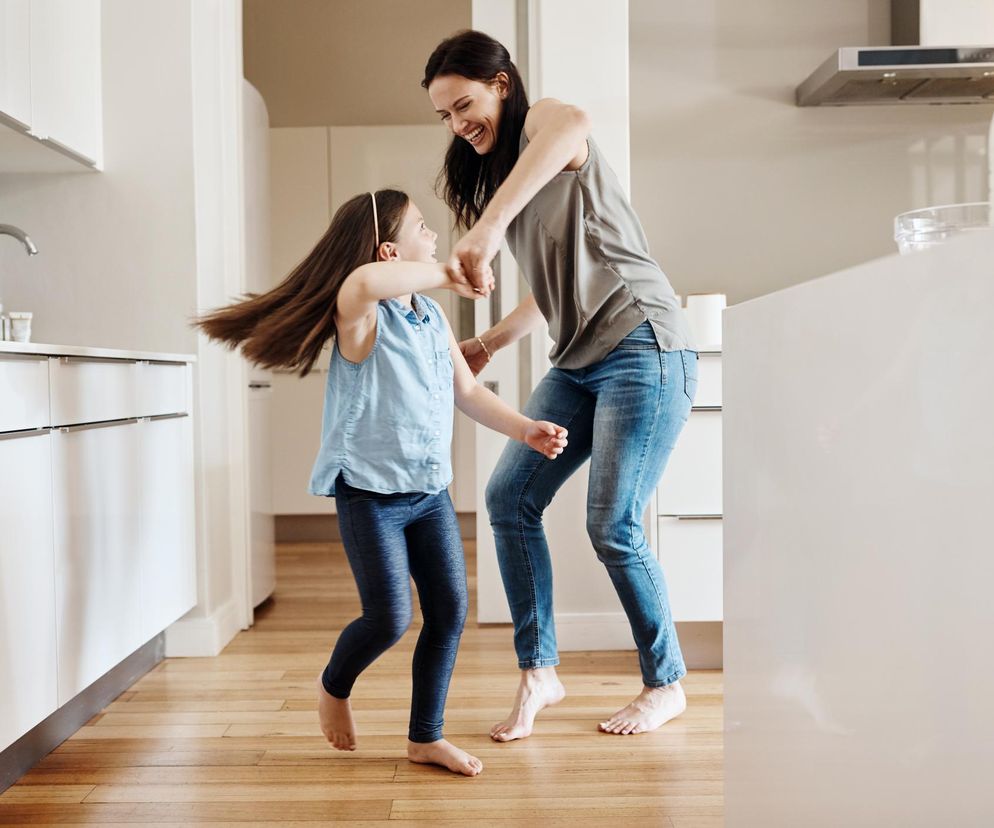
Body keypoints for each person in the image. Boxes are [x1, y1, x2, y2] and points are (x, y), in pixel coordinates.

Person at [196, 189, 568, 776]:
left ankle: (425, 737)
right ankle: (334, 686)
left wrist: (525, 431)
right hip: (368, 494)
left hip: (428, 493)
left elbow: (466, 392)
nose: (437, 237)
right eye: (424, 229)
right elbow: (364, 282)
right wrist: (450, 272)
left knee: (448, 611)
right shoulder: (362, 317)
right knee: (390, 617)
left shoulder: (430, 316)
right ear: (390, 251)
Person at [423, 30, 698, 741]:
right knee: (508, 498)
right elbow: (554, 289)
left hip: (643, 342)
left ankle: (665, 682)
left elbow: (575, 122)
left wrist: (484, 231)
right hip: (578, 357)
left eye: (465, 105)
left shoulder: (547, 123)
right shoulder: (502, 172)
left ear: (502, 85)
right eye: (445, 116)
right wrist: (486, 340)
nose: (459, 124)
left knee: (613, 524)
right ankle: (540, 671)